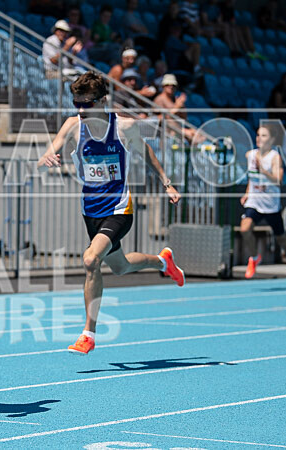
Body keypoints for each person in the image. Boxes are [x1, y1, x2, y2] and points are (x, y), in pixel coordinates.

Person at [37, 71, 185, 355]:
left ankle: (88, 334)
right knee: (120, 266)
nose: (81, 110)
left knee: (91, 259)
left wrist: (167, 184)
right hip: (90, 211)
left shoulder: (124, 127)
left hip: (119, 208)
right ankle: (163, 262)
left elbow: (146, 153)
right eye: (77, 103)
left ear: (103, 101)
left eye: (87, 104)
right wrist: (47, 156)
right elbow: (50, 150)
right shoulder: (73, 126)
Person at [240, 124, 286, 288]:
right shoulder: (251, 155)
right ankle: (254, 258)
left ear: (272, 140)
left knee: (282, 239)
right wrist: (247, 193)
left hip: (271, 205)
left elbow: (278, 180)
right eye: (258, 135)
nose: (259, 138)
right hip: (254, 202)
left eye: (264, 135)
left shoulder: (274, 157)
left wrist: (264, 171)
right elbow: (252, 177)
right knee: (245, 229)